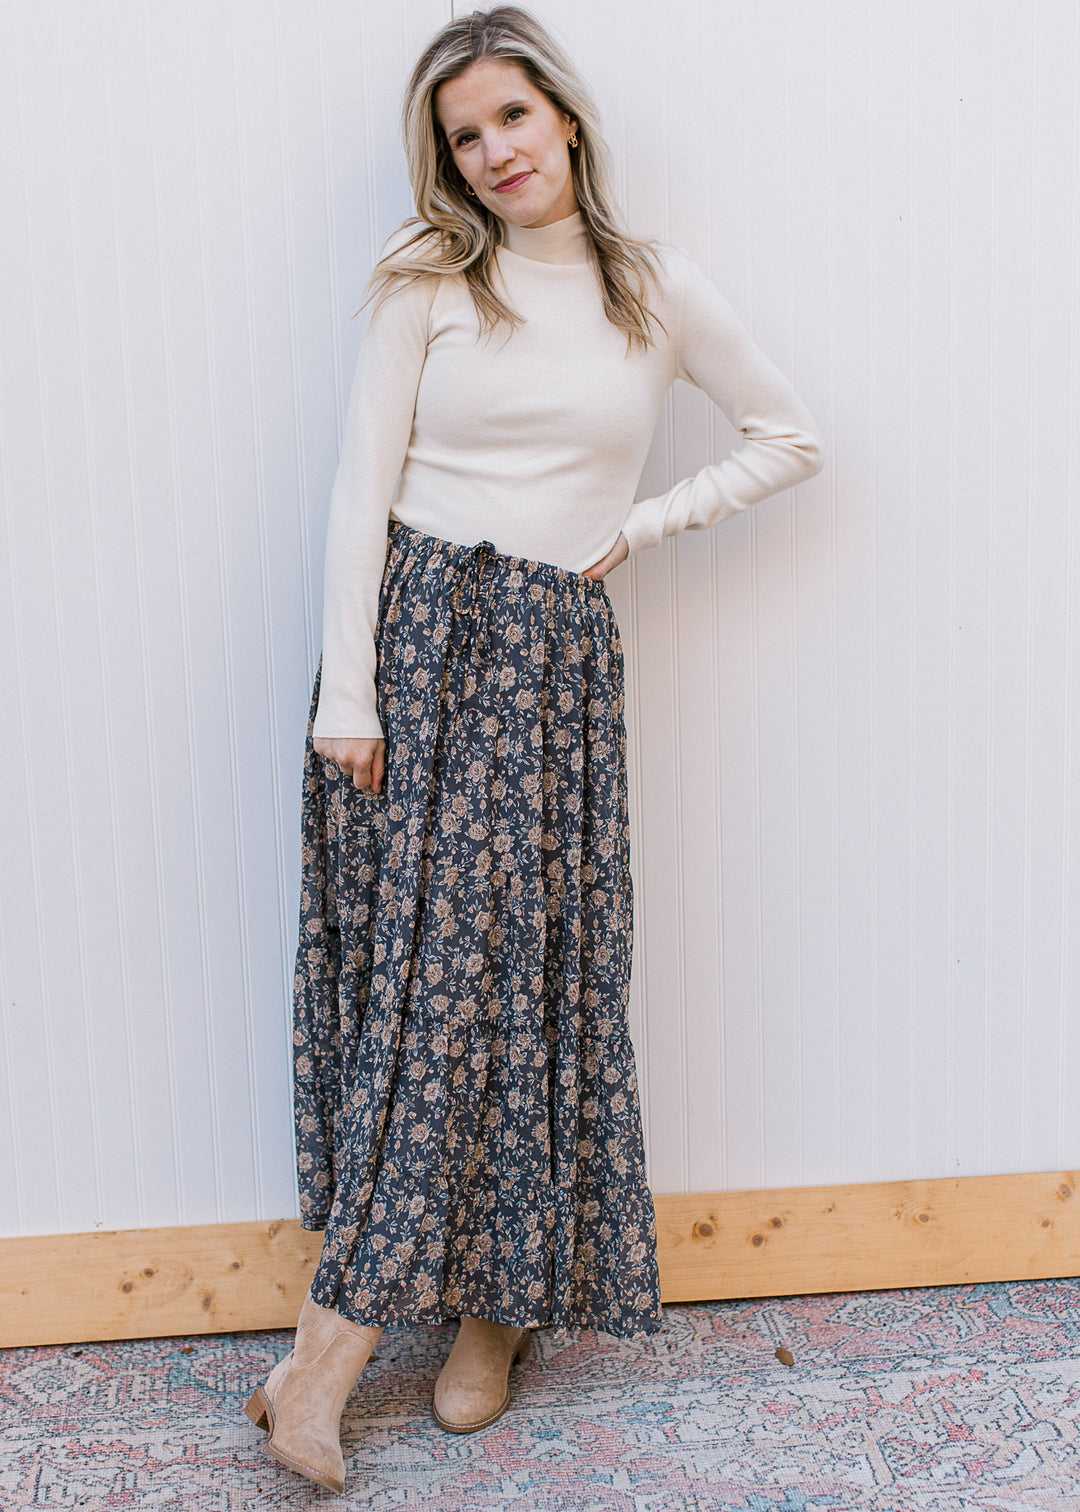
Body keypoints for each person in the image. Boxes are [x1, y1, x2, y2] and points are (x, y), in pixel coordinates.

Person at [245, 3, 824, 1494]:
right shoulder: (427, 278)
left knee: (530, 976)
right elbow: (356, 484)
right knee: (412, 990)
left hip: (552, 662)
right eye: (463, 135)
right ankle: (330, 1357)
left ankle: (486, 1325)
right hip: (416, 633)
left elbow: (789, 437)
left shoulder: (655, 293)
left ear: (562, 116)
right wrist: (350, 694)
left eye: (510, 116)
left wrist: (640, 526)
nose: (493, 152)